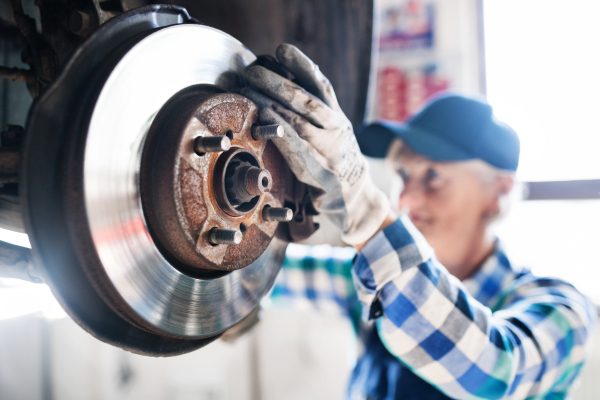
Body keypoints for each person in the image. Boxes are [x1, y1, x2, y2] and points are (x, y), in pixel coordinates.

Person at [240, 44, 597, 400]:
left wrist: (369, 215)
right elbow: (265, 271)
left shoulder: (563, 309)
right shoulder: (367, 280)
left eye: (433, 176)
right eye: (403, 173)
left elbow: (495, 373)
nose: (407, 198)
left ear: (497, 193)